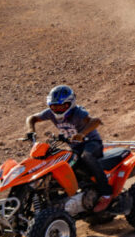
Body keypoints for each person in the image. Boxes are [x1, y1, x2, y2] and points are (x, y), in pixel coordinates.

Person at [26, 85, 113, 213]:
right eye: (54, 106)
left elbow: (95, 121)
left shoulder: (78, 112)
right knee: (59, 164)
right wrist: (30, 130)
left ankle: (106, 193)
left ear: (70, 103)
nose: (57, 109)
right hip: (75, 147)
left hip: (92, 143)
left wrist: (82, 134)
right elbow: (32, 118)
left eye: (62, 106)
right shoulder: (50, 113)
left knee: (86, 156)